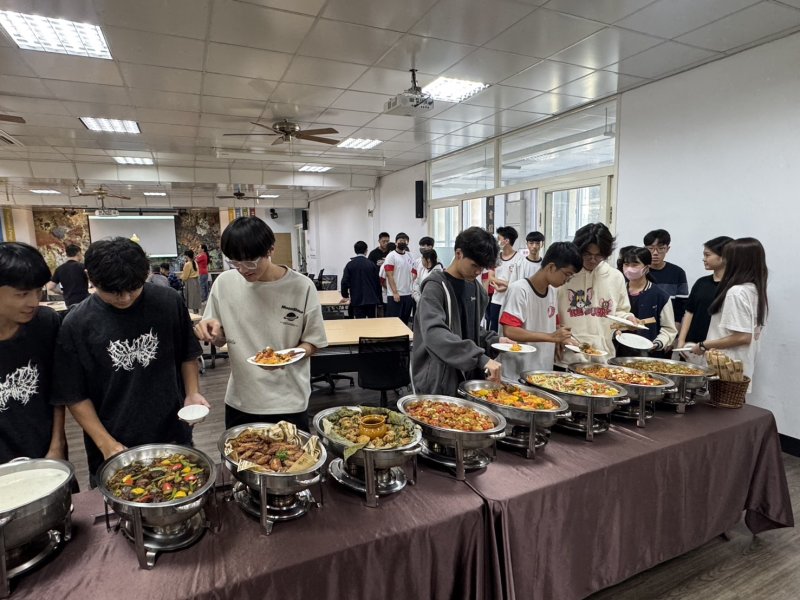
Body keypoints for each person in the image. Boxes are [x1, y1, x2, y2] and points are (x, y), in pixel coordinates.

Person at [51, 237, 207, 481]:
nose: (124, 298)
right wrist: (105, 443)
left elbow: (187, 354)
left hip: (172, 431)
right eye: (113, 292)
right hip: (113, 441)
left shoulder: (168, 301)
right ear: (90, 278)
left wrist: (192, 393)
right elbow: (74, 395)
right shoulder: (77, 323)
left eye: (134, 288)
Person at [196, 217, 327, 430]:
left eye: (250, 261)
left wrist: (286, 357)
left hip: (290, 400)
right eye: (235, 262)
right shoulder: (224, 284)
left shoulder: (301, 287)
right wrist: (211, 333)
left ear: (270, 249)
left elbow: (314, 342)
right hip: (241, 400)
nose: (243, 269)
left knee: (293, 452)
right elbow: (219, 340)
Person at [411, 226, 509, 395]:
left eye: (482, 268)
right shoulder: (435, 287)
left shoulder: (476, 289)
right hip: (439, 381)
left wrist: (496, 340)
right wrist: (479, 358)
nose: (478, 272)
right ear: (458, 254)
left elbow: (470, 330)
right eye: (474, 265)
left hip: (468, 378)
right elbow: (434, 333)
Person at [0, 242, 66, 463]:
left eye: (38, 291)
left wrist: (57, 445)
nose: (34, 302)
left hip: (46, 454)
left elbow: (57, 389)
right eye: (22, 294)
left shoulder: (45, 323)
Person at [690, 238, 768, 390]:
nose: (725, 260)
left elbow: (743, 337)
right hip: (737, 367)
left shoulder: (737, 292)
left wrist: (703, 345)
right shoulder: (753, 289)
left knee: (720, 403)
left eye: (728, 256)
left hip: (725, 367)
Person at [499, 242, 581, 378]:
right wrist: (552, 337)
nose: (567, 280)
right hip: (517, 373)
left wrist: (563, 339)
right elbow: (510, 330)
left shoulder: (552, 292)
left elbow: (554, 325)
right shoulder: (519, 290)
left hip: (542, 370)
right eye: (567, 274)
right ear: (551, 267)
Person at [557, 222, 634, 363]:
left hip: (603, 356)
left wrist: (628, 318)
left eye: (599, 255)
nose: (593, 260)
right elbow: (551, 313)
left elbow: (619, 312)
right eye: (587, 254)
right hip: (567, 356)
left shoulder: (615, 277)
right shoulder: (565, 275)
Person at [676, 236, 733, 364]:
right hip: (692, 346)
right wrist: (681, 341)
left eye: (707, 255)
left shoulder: (734, 288)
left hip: (717, 349)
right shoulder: (701, 282)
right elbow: (689, 312)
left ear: (724, 257)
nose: (704, 259)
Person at [614, 246, 677, 357]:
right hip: (618, 352)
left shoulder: (660, 296)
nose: (629, 268)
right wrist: (614, 332)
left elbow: (669, 329)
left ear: (646, 268)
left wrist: (657, 343)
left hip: (649, 354)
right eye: (626, 264)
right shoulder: (617, 291)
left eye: (635, 265)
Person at [643, 229, 689, 323]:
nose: (655, 253)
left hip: (668, 326)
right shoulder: (638, 271)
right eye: (651, 248)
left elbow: (680, 307)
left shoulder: (678, 272)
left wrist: (675, 330)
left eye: (661, 248)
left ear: (667, 249)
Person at [486, 226, 524, 332]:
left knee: (509, 329)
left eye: (499, 239)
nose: (497, 241)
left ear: (506, 241)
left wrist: (505, 286)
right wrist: (507, 283)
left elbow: (520, 282)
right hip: (496, 299)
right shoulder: (496, 257)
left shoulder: (520, 259)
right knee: (493, 328)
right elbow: (490, 277)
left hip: (511, 300)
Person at [341, 241, 381, 318]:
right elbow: (377, 282)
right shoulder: (371, 264)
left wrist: (345, 295)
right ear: (366, 251)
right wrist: (378, 297)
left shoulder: (350, 265)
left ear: (355, 251)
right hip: (371, 299)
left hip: (357, 299)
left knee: (359, 322)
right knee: (373, 323)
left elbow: (344, 282)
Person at [384, 232, 415, 325]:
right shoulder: (391, 256)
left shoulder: (410, 255)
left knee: (405, 322)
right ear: (396, 242)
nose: (403, 242)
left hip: (408, 294)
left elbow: (413, 271)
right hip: (395, 295)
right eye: (401, 241)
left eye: (405, 241)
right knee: (395, 323)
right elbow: (389, 275)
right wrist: (395, 292)